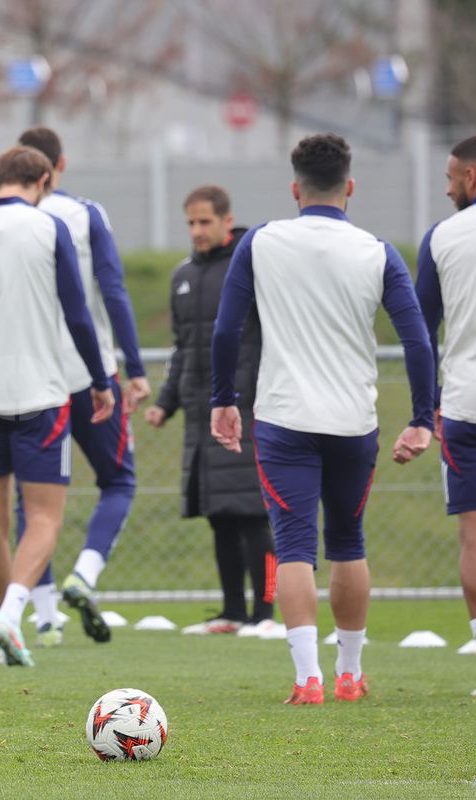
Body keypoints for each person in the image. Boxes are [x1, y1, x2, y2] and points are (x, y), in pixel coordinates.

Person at [210, 133, 434, 705]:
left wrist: (223, 399)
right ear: (349, 187)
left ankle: (308, 677)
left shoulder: (261, 241)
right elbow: (416, 340)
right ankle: (349, 674)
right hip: (352, 421)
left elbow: (227, 329)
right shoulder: (377, 251)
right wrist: (421, 416)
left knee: (293, 547)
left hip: (284, 418)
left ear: (295, 189)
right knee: (348, 542)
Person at [0, 144, 114, 667]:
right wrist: (100, 380)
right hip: (41, 393)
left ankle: (2, 630)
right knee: (43, 517)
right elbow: (78, 315)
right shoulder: (49, 227)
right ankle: (11, 615)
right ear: (44, 181)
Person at [13, 126, 150, 647]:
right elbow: (112, 290)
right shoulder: (85, 214)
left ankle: (45, 616)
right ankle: (85, 575)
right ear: (59, 165)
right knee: (118, 480)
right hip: (91, 376)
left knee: (31, 499)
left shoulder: (3, 222)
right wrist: (135, 368)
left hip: (31, 377)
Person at [145, 185, 278, 638]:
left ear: (227, 220)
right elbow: (183, 348)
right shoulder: (183, 275)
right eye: (191, 223)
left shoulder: (250, 266)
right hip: (203, 417)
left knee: (255, 515)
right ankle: (233, 612)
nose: (197, 230)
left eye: (205, 221)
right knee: (220, 516)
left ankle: (265, 613)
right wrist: (166, 403)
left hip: (248, 412)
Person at [414, 134, 476, 664]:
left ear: (471, 177)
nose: (448, 188)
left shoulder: (441, 238)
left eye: (451, 178)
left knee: (473, 537)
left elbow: (420, 331)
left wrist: (425, 404)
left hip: (464, 403)